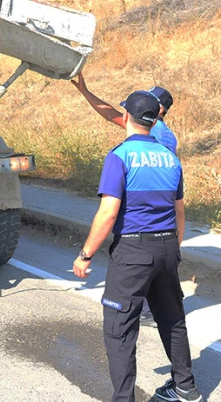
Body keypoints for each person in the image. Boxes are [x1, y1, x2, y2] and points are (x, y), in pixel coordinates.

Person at [72, 91, 201, 402]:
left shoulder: (120, 156)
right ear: (154, 120)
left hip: (133, 252)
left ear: (126, 117)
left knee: (119, 329)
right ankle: (186, 388)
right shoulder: (170, 157)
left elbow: (109, 211)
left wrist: (85, 254)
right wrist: (174, 249)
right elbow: (179, 210)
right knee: (172, 319)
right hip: (168, 246)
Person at [71, 75, 178, 327]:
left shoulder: (154, 132)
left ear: (158, 109)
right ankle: (153, 310)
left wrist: (85, 91)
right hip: (162, 206)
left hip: (142, 209)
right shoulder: (167, 135)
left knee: (136, 258)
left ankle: (140, 313)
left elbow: (110, 114)